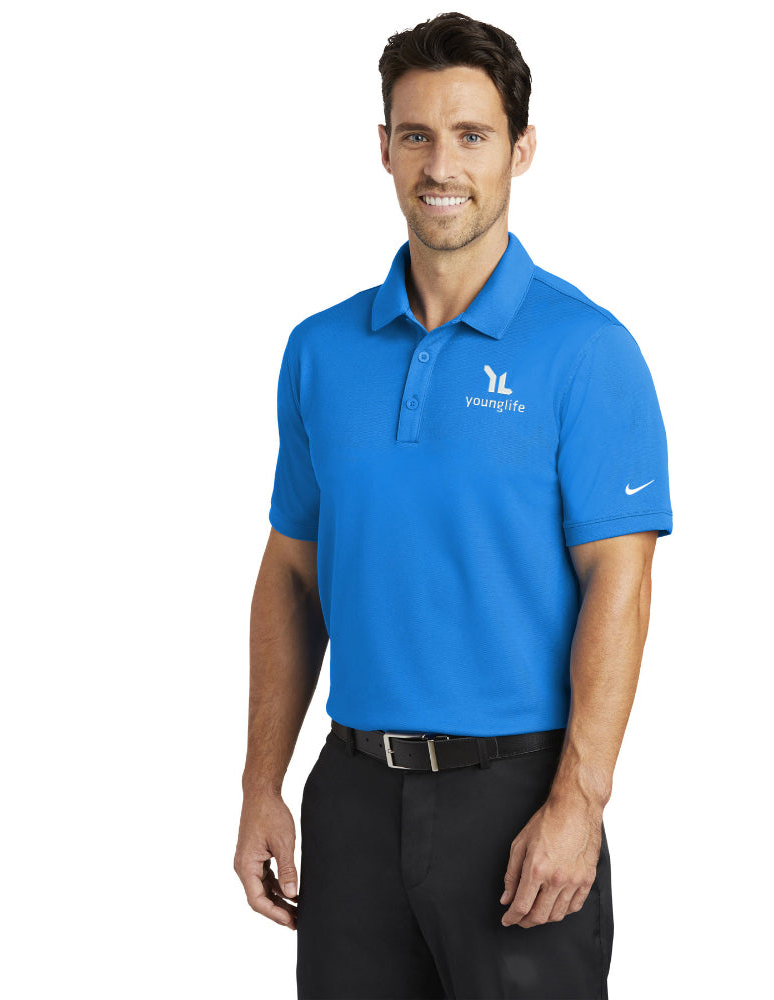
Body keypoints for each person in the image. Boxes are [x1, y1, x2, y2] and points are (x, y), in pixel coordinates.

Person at [233, 11, 673, 998]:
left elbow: (622, 583)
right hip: (351, 798)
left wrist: (579, 801)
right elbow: (292, 573)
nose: (441, 165)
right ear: (383, 147)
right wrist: (262, 783)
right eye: (417, 135)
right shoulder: (319, 350)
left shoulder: (587, 350)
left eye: (472, 135)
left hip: (516, 803)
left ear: (521, 148)